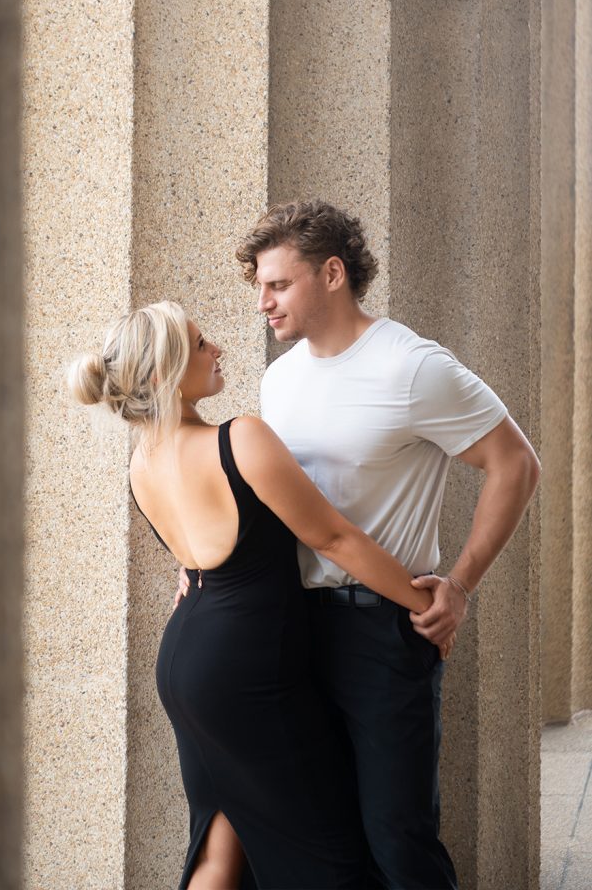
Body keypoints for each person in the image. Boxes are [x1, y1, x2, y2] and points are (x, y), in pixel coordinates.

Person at [68, 300, 443, 890]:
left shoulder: (143, 461)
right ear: (166, 375)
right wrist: (428, 605)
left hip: (187, 662)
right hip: (248, 670)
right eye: (199, 343)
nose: (217, 348)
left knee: (223, 839)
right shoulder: (239, 438)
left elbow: (194, 561)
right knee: (326, 854)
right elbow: (335, 537)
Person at [229, 198, 540, 889]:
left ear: (331, 273)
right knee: (313, 832)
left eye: (276, 285)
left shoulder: (410, 367)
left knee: (396, 834)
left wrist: (458, 583)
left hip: (379, 629)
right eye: (259, 288)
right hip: (284, 625)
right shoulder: (279, 379)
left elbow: (514, 464)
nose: (262, 304)